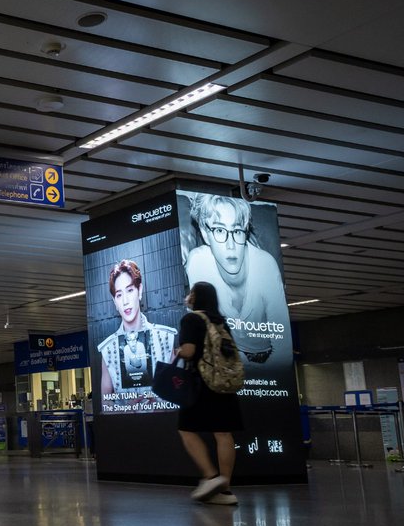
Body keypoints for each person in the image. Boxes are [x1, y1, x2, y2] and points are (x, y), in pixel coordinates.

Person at [185, 194, 289, 365]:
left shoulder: (265, 265)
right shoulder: (198, 262)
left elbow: (284, 348)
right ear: (204, 232)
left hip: (267, 359)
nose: (230, 245)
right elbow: (201, 334)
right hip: (223, 359)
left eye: (237, 231)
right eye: (219, 230)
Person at [175, 281, 244, 506]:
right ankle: (225, 490)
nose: (188, 296)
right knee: (223, 433)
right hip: (224, 383)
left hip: (201, 384)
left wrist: (178, 351)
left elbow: (189, 351)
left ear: (195, 297)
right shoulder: (221, 322)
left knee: (186, 430)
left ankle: (211, 477)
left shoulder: (191, 319)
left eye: (191, 292)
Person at [97, 259, 177, 400]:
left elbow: (177, 392)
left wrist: (161, 404)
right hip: (125, 415)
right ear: (114, 301)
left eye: (130, 290)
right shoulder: (108, 349)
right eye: (119, 295)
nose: (125, 301)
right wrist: (125, 409)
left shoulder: (165, 338)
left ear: (139, 291)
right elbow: (105, 402)